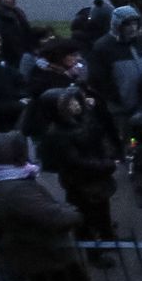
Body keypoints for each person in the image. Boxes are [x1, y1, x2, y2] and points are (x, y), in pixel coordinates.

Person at [0, 130, 91, 281]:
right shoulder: (14, 190)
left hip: (34, 252)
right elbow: (54, 217)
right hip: (47, 255)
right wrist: (74, 213)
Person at [34, 86, 120, 254]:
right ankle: (93, 252)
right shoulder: (57, 134)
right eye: (69, 103)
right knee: (85, 218)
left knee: (103, 210)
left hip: (97, 175)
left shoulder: (82, 120)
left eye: (74, 100)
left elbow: (98, 138)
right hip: (81, 182)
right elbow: (75, 161)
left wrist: (106, 156)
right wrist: (105, 164)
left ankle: (108, 238)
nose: (75, 105)